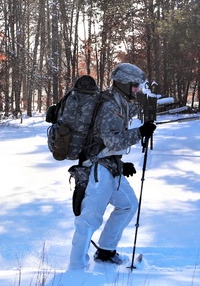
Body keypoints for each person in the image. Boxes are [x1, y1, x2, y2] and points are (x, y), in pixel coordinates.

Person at [67, 62, 157, 271]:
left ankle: (106, 251)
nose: (137, 89)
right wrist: (140, 133)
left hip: (110, 166)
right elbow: (113, 141)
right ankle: (75, 269)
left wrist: (120, 162)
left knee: (127, 204)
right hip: (97, 171)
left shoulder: (120, 103)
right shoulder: (110, 106)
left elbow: (107, 141)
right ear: (124, 84)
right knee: (89, 221)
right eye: (135, 85)